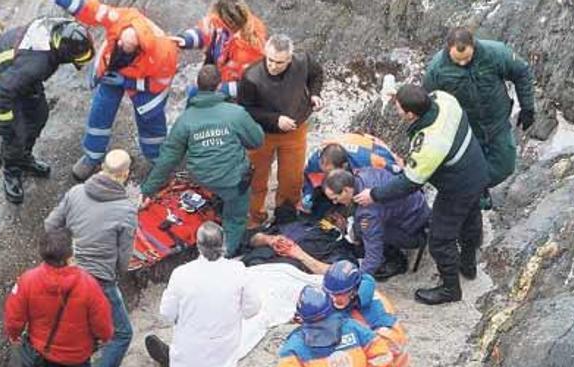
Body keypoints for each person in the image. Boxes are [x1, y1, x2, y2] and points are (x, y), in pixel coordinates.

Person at [355, 85, 489, 305]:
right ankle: (468, 263)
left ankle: (450, 289)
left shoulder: (431, 143)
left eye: (398, 107)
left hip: (457, 188)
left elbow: (410, 183)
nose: (396, 110)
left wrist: (375, 195)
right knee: (471, 217)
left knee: (439, 239)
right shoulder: (445, 99)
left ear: (410, 114)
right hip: (476, 168)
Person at [3, 229, 113, 367]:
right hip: (78, 352)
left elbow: (14, 316)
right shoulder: (87, 283)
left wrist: (14, 334)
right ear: (69, 254)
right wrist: (105, 336)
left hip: (43, 350)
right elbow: (102, 321)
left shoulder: (28, 280)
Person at [154, 222, 261, 367]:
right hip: (222, 341)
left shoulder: (182, 274)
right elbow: (253, 308)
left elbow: (166, 313)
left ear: (198, 245)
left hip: (189, 340)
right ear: (223, 244)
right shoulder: (238, 271)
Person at [44, 149, 137, 367]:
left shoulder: (75, 193)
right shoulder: (126, 209)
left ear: (101, 168)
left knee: (78, 327)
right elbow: (124, 257)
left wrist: (67, 254)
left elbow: (50, 225)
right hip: (99, 279)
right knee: (121, 333)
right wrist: (116, 271)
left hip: (68, 273)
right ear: (125, 174)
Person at [140, 65, 264, 256]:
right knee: (236, 217)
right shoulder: (236, 113)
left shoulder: (185, 120)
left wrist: (148, 189)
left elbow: (169, 158)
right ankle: (226, 254)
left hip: (202, 178)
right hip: (233, 181)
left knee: (217, 186)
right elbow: (256, 141)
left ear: (198, 86)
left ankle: (215, 207)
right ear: (219, 85)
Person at [55, 0, 179, 181]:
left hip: (144, 81)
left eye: (125, 47)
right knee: (100, 111)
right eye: (120, 42)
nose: (119, 44)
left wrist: (130, 82)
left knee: (150, 120)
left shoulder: (164, 53)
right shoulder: (121, 19)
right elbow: (90, 9)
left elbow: (160, 83)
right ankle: (92, 156)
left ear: (138, 50)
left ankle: (157, 159)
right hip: (112, 71)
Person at [0, 18, 94, 203]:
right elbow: (1, 93)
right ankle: (11, 170)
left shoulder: (58, 29)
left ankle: (25, 157)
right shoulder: (36, 64)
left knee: (39, 115)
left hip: (18, 72)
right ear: (63, 52)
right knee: (16, 133)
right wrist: (5, 124)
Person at [423, 27, 535, 207]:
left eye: (467, 58)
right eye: (457, 60)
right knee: (470, 169)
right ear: (448, 49)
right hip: (466, 128)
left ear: (473, 45)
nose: (462, 63)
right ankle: (476, 196)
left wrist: (528, 107)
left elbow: (521, 72)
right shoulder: (437, 69)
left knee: (505, 165)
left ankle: (476, 185)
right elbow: (429, 101)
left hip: (496, 121)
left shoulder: (495, 53)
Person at [238, 34, 323, 227]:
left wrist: (315, 94)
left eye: (279, 62)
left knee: (292, 179)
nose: (273, 66)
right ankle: (254, 217)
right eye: (270, 60)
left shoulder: (304, 62)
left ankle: (285, 217)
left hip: (295, 129)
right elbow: (246, 109)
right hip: (261, 134)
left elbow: (316, 75)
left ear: (290, 59)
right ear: (265, 54)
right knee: (256, 178)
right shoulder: (251, 76)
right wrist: (275, 119)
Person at [324, 168, 430, 281]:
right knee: (360, 228)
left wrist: (357, 280)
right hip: (418, 205)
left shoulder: (368, 212)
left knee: (362, 230)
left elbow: (373, 256)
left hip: (414, 230)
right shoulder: (363, 174)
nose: (334, 203)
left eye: (336, 198)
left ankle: (395, 261)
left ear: (345, 190)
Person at [172, 0, 267, 98]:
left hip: (232, 89)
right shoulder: (220, 20)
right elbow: (204, 31)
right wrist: (186, 39)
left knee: (195, 94)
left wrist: (221, 90)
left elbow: (248, 84)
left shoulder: (251, 47)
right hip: (218, 75)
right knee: (192, 92)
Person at [301, 133, 404, 218]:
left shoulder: (369, 160)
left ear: (343, 166)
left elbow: (397, 174)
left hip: (371, 149)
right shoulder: (318, 160)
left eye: (332, 173)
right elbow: (309, 176)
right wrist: (308, 195)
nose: (329, 177)